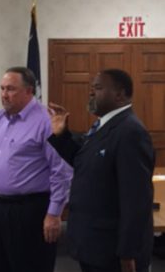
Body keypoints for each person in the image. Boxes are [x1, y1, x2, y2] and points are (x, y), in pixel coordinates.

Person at [0, 67, 73, 272]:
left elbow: (61, 170)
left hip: (31, 209)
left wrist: (54, 213)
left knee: (30, 266)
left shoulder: (45, 122)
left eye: (11, 89)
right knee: (2, 265)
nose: (4, 94)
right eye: (2, 88)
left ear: (29, 91)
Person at [48, 69, 155, 272]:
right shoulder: (103, 126)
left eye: (97, 88)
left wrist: (128, 252)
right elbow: (86, 163)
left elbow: (136, 201)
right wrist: (61, 136)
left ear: (119, 94)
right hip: (94, 245)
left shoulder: (130, 132)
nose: (91, 93)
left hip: (112, 252)